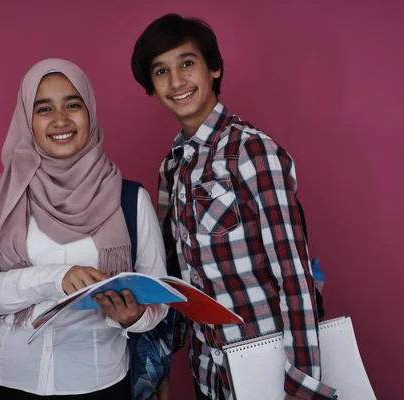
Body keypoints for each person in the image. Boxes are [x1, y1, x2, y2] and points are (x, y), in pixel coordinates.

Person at [131, 14, 338, 400]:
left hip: (272, 369)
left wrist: (303, 383)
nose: (176, 81)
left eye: (187, 63)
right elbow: (177, 278)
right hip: (209, 371)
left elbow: (294, 273)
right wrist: (157, 364)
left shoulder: (251, 150)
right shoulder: (171, 166)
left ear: (214, 68)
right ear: (152, 86)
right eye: (161, 71)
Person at [0, 58, 168, 399]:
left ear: (90, 112)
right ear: (28, 119)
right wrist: (56, 278)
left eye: (73, 104)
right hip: (1, 379)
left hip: (96, 383)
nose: (60, 120)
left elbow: (158, 300)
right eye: (43, 109)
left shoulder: (131, 199)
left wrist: (135, 317)